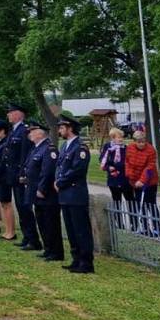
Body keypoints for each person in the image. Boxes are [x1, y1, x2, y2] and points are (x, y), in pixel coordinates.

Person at [54, 115, 94, 273]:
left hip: (75, 193)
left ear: (70, 128)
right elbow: (59, 166)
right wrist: (57, 180)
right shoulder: (65, 146)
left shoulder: (80, 147)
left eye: (62, 127)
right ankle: (76, 258)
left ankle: (86, 262)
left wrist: (61, 181)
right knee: (71, 229)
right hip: (65, 194)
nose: (59, 130)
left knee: (81, 230)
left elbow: (77, 170)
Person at [23, 121, 64, 261]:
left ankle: (56, 252)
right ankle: (48, 248)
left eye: (32, 132)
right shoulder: (36, 148)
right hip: (36, 192)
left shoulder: (49, 149)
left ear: (40, 133)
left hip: (47, 194)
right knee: (41, 221)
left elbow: (48, 172)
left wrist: (42, 188)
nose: (30, 134)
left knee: (50, 222)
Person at [7, 103, 40, 250]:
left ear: (19, 114)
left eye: (11, 112)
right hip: (13, 175)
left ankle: (33, 239)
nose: (8, 115)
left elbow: (24, 155)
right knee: (20, 208)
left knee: (25, 208)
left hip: (20, 176)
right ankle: (27, 237)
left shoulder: (24, 130)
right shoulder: (13, 131)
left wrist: (22, 175)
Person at [125, 129, 160, 236]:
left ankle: (156, 228)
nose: (141, 144)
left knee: (150, 204)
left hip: (149, 181)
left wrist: (142, 180)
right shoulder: (130, 148)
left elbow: (150, 167)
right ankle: (145, 228)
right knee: (140, 205)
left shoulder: (151, 150)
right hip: (135, 181)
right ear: (134, 141)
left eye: (143, 141)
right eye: (139, 142)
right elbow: (127, 162)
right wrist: (130, 176)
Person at [99, 127, 135, 228]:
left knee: (130, 201)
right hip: (113, 179)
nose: (121, 139)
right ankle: (119, 223)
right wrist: (108, 167)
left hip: (125, 179)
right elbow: (102, 160)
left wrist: (121, 166)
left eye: (121, 137)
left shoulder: (125, 148)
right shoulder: (108, 147)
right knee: (117, 201)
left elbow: (129, 162)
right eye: (119, 137)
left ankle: (134, 223)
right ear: (113, 138)